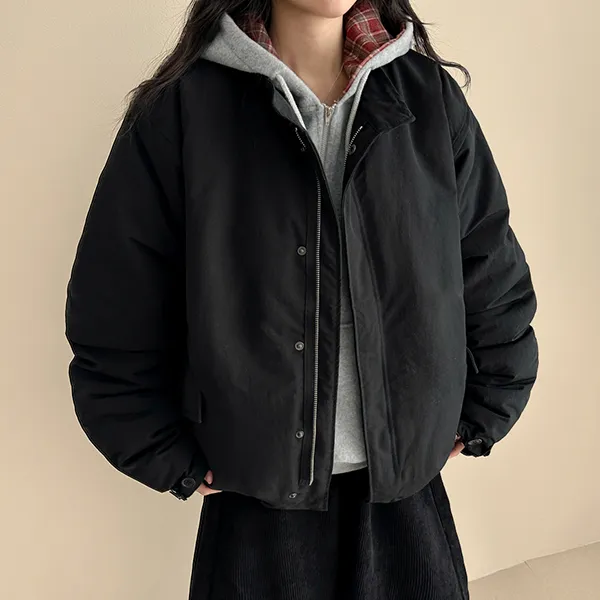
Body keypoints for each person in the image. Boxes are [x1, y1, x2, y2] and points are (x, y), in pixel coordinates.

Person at [65, 0, 539, 598]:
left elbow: (487, 263)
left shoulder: (427, 98)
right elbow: (117, 298)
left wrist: (485, 405)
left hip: (405, 498)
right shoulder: (183, 109)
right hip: (254, 507)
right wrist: (160, 448)